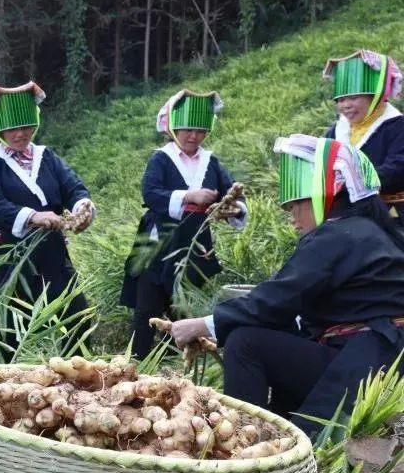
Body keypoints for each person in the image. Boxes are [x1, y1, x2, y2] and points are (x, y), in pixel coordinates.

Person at [166, 135, 404, 434]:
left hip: (368, 361)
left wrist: (203, 325)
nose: (292, 217)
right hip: (379, 357)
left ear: (328, 194)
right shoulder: (367, 232)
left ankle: (239, 442)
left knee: (245, 342)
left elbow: (276, 299)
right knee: (271, 334)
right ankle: (272, 432)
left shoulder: (337, 236)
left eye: (296, 205)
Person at [120, 90, 247, 359]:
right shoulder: (162, 159)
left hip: (195, 246)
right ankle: (135, 365)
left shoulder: (211, 161)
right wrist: (190, 196)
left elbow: (234, 193)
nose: (193, 136)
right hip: (158, 244)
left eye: (200, 131)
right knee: (147, 310)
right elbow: (151, 194)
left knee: (183, 309)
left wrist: (231, 209)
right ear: (173, 128)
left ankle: (174, 367)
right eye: (187, 129)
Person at [0, 82, 95, 359]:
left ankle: (76, 379)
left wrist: (82, 207)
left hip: (52, 256)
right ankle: (5, 387)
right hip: (11, 258)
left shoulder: (46, 157)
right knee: (8, 334)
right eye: (13, 128)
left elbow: (72, 187)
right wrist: (33, 216)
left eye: (26, 126)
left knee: (77, 318)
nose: (20, 134)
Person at [322, 50, 404, 221]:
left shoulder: (397, 125)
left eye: (353, 98)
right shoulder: (335, 132)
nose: (346, 106)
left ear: (375, 97)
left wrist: (354, 179)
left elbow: (398, 168)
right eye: (340, 100)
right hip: (348, 213)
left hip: (392, 213)